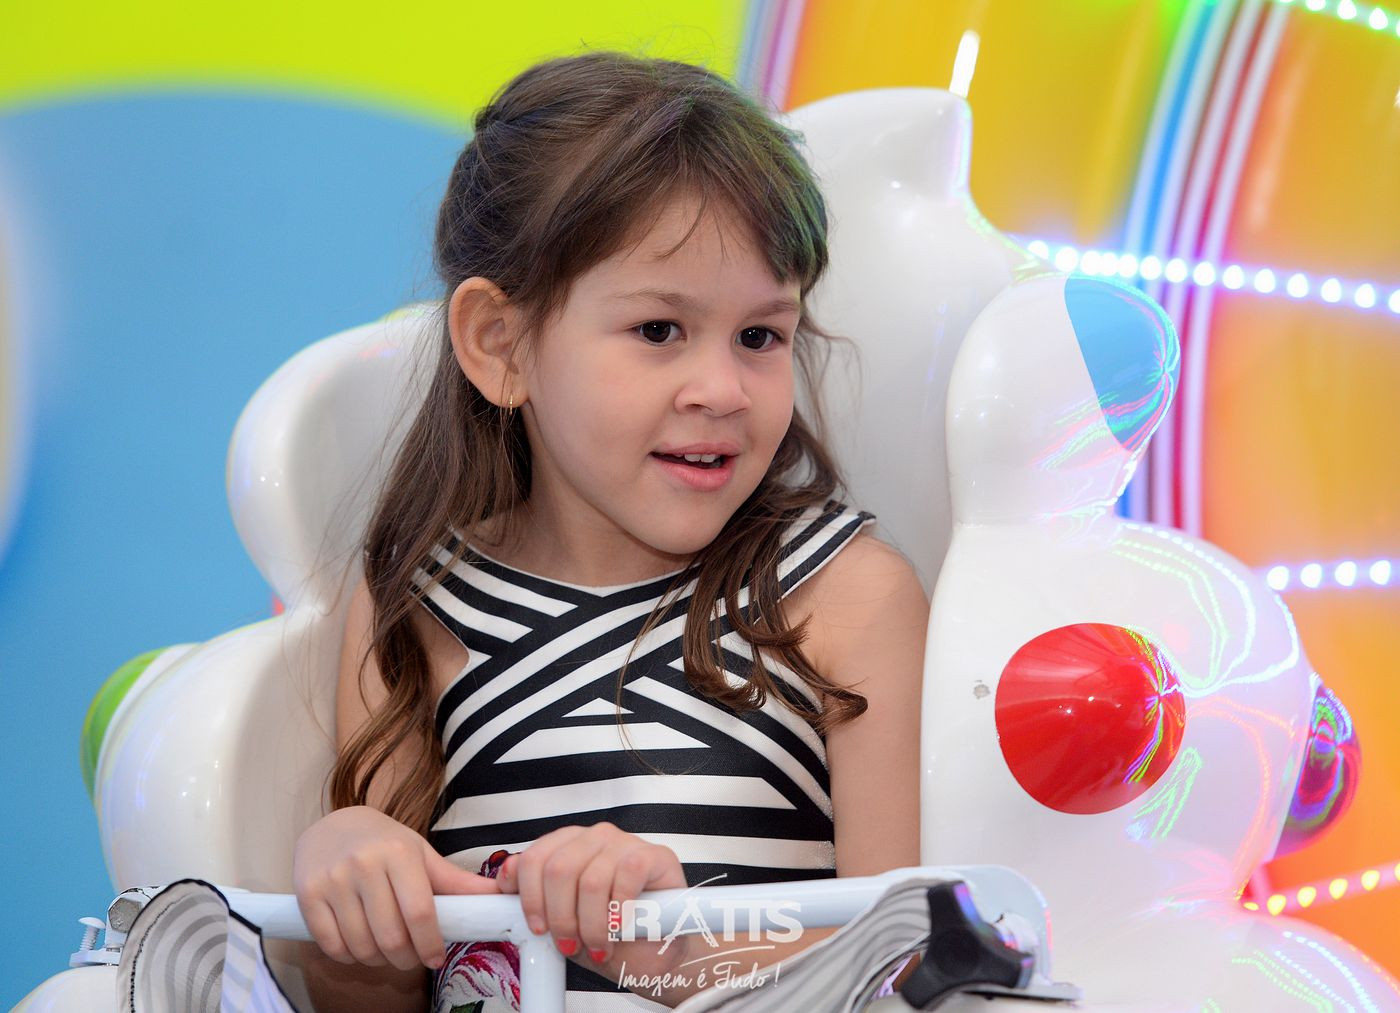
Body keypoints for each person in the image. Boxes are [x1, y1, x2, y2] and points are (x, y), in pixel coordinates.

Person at [288, 50, 928, 1013]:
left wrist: (683, 951)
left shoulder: (841, 594)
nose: (722, 388)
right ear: (500, 344)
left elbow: (905, 960)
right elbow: (376, 1003)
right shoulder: (415, 602)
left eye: (760, 336)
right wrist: (349, 897)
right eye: (660, 330)